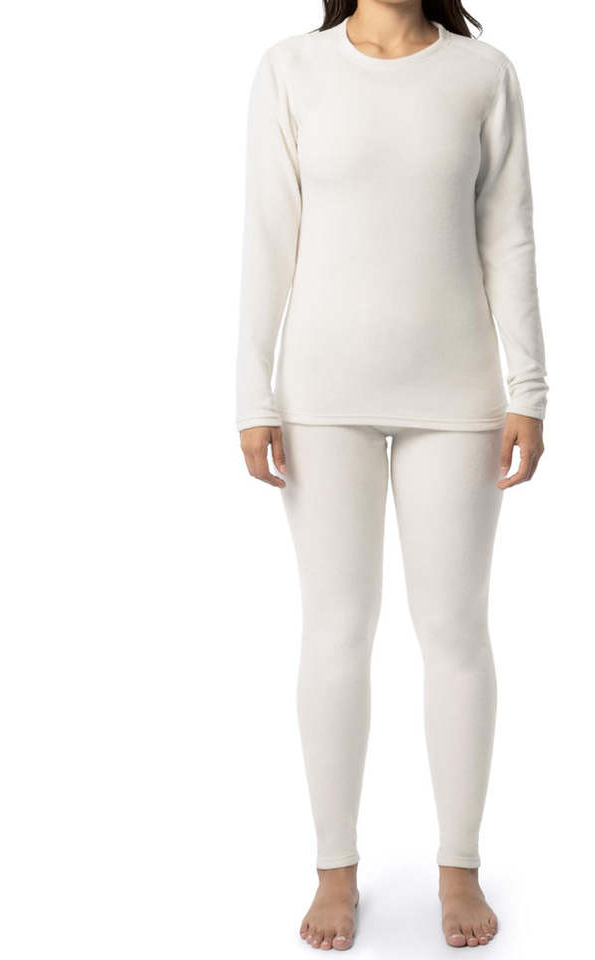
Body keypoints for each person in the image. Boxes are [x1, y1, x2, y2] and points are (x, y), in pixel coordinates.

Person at [237, 0, 547, 949]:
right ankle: (335, 871)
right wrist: (252, 392)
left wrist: (529, 387)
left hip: (457, 394)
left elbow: (509, 233)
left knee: (454, 630)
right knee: (336, 629)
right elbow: (267, 235)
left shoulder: (482, 75)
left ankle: (459, 866)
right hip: (321, 396)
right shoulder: (291, 68)